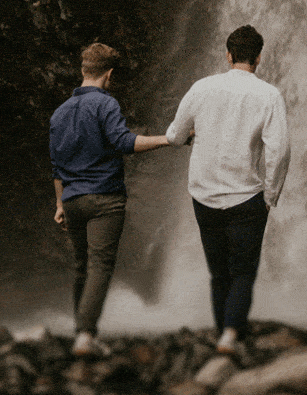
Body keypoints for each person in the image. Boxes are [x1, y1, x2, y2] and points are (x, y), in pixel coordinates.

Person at [166, 24, 289, 356]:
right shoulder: (269, 94)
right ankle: (230, 336)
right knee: (243, 272)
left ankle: (224, 332)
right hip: (246, 196)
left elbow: (176, 135)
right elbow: (279, 150)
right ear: (259, 57)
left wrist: (193, 135)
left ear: (228, 54)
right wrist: (270, 196)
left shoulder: (202, 88)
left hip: (203, 194)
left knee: (218, 272)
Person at [50, 41, 172, 357]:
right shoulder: (106, 104)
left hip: (74, 200)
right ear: (110, 74)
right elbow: (124, 142)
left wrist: (60, 204)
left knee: (81, 267)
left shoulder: (60, 112)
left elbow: (56, 165)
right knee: (100, 266)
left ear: (82, 70)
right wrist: (168, 139)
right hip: (105, 199)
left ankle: (80, 331)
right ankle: (85, 336)